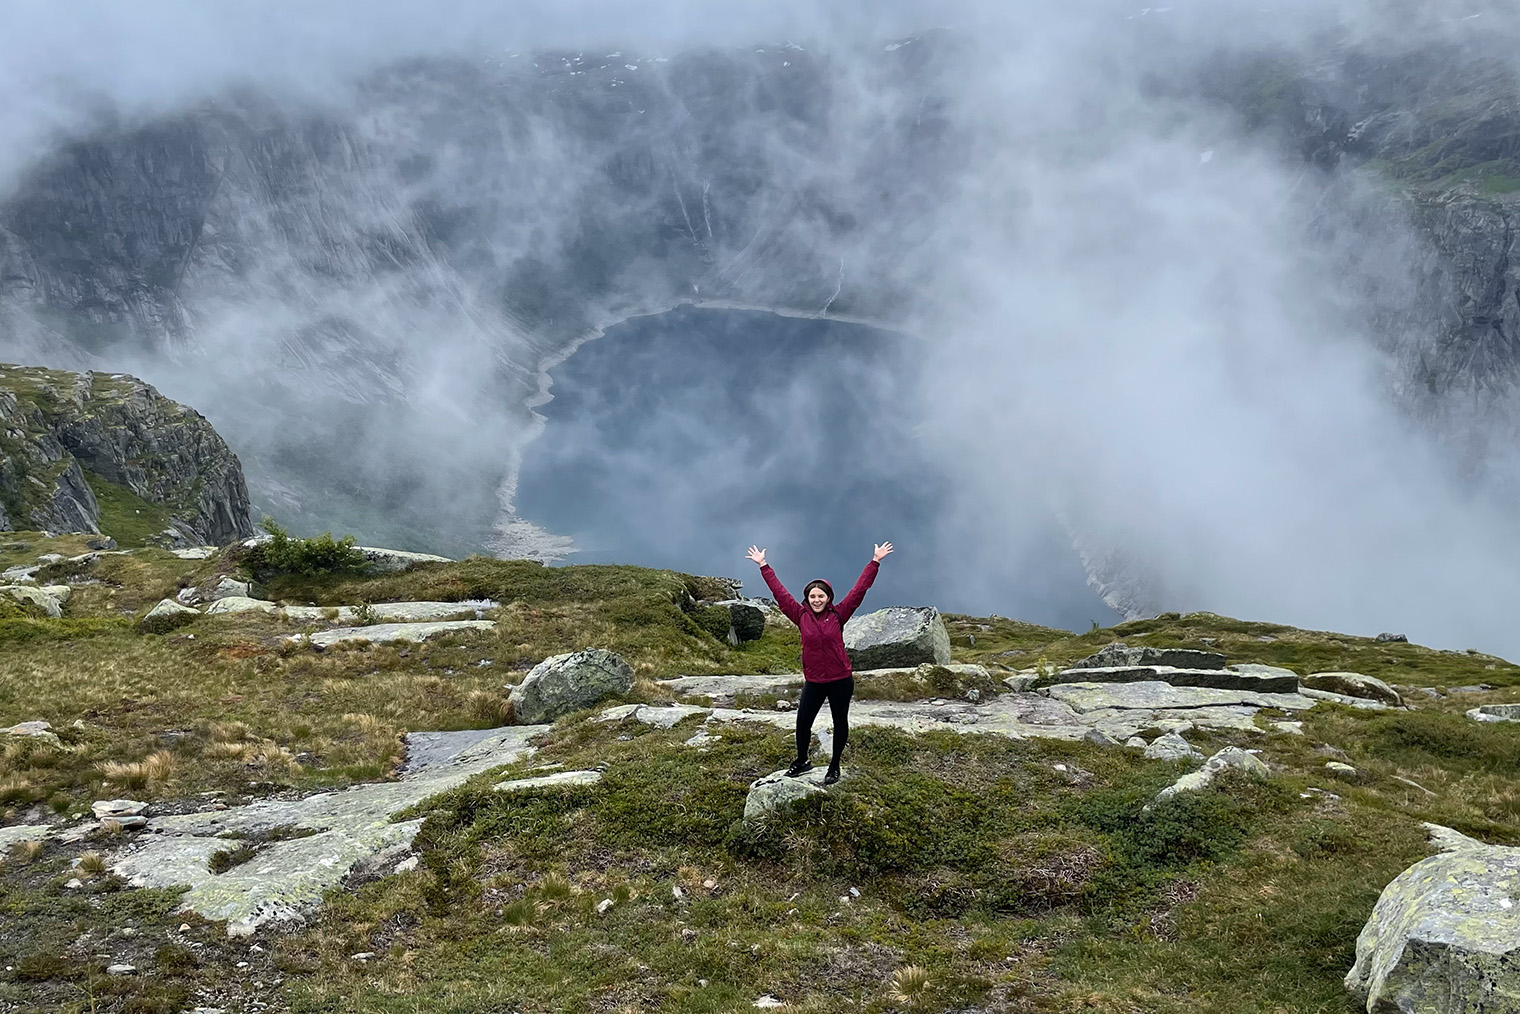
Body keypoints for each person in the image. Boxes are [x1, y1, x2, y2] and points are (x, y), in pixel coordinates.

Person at [745, 541, 894, 785]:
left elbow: (859, 591)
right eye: (812, 596)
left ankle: (834, 766)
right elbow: (779, 593)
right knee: (803, 722)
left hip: (840, 681)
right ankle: (802, 760)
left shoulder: (839, 614)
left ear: (828, 598)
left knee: (840, 723)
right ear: (807, 598)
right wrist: (763, 565)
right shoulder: (799, 615)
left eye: (820, 596)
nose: (816, 600)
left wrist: (875, 561)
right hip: (814, 681)